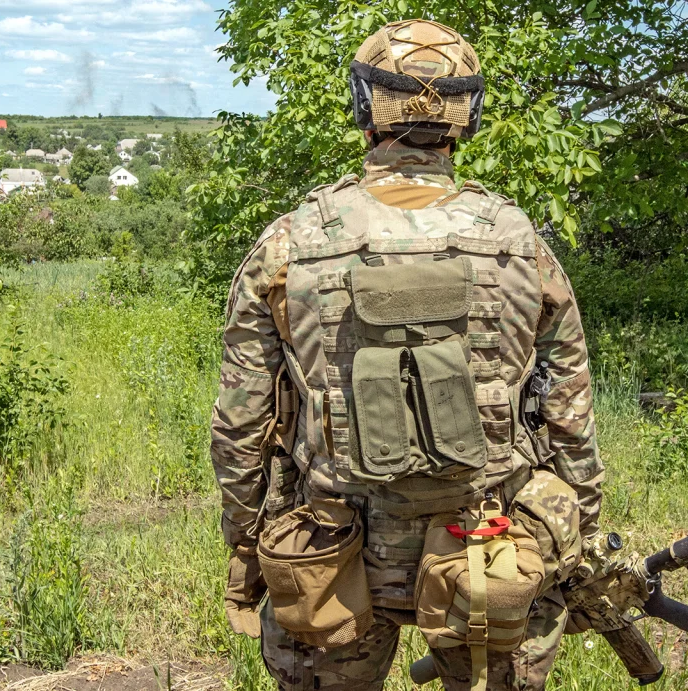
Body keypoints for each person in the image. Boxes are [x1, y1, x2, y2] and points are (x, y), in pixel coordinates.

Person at [210, 19, 604, 691]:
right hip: (491, 548)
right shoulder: (519, 244)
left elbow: (241, 424)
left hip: (333, 553)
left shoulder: (291, 245)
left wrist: (247, 541)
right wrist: (581, 537)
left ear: (366, 108)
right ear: (466, 116)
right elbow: (569, 413)